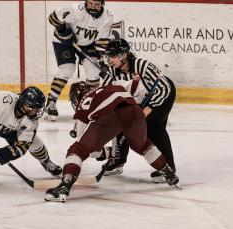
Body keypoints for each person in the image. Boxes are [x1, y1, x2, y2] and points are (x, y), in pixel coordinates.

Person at [44, 82, 179, 202]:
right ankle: (168, 172)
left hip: (109, 116)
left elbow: (88, 150)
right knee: (143, 146)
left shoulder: (82, 105)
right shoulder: (108, 85)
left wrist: (105, 153)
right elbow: (135, 85)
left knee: (77, 150)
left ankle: (64, 186)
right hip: (134, 110)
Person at [100, 39, 177, 183]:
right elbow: (104, 93)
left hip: (161, 96)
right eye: (108, 56)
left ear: (123, 55)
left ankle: (168, 167)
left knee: (154, 128)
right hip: (138, 100)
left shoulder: (142, 65)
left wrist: (148, 109)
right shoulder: (111, 71)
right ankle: (118, 160)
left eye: (113, 56)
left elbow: (164, 88)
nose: (109, 60)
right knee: (120, 122)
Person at [44, 0, 114, 121]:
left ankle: (89, 102)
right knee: (67, 68)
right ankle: (51, 101)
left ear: (102, 4)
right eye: (90, 3)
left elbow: (101, 44)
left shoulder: (107, 18)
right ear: (86, 2)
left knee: (93, 72)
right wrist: (62, 30)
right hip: (64, 42)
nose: (93, 7)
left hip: (87, 45)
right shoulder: (75, 10)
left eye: (96, 4)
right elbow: (53, 17)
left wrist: (102, 62)